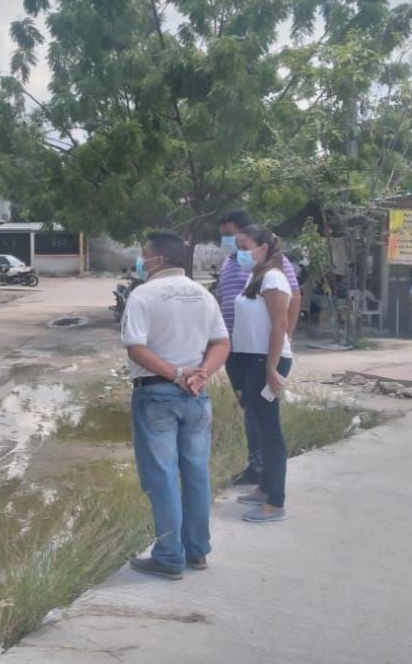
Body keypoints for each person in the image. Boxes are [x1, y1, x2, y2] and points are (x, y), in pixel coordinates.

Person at [121, 232, 231, 579]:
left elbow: (136, 348)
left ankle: (169, 557)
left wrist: (178, 375)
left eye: (143, 255)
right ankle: (196, 551)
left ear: (157, 260)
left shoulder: (143, 295)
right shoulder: (203, 295)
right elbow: (221, 342)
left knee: (162, 476)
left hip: (157, 395)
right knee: (196, 472)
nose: (141, 261)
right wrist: (202, 375)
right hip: (196, 397)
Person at [217, 210, 301, 486]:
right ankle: (257, 470)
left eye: (232, 236)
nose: (227, 242)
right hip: (238, 351)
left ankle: (272, 489)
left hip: (261, 353)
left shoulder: (274, 270)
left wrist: (280, 345)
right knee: (251, 410)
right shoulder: (236, 267)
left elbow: (287, 306)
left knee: (266, 422)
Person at [228, 226, 294, 523]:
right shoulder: (256, 276)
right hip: (249, 360)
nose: (240, 251)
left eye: (245, 245)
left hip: (264, 361)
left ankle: (276, 502)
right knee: (258, 424)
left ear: (263, 247)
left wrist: (271, 367)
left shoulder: (274, 277)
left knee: (270, 432)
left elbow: (280, 326)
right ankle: (264, 489)